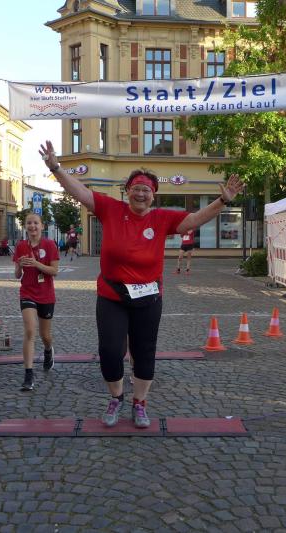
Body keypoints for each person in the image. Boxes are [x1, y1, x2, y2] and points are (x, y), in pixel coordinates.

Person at [39, 140, 244, 428]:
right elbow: (81, 192)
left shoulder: (162, 218)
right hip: (111, 295)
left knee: (144, 351)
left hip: (149, 297)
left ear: (153, 195)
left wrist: (222, 201)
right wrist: (56, 169)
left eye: (146, 189)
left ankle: (140, 402)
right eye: (136, 188)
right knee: (111, 351)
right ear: (127, 191)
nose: (141, 193)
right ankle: (116, 397)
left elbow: (195, 219)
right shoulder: (111, 209)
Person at [13, 213, 60, 391]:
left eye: (35, 223)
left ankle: (48, 350)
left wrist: (36, 264)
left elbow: (54, 271)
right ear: (25, 226)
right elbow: (17, 275)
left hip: (46, 294)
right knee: (30, 331)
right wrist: (20, 265)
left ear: (42, 226)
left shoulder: (50, 245)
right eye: (29, 223)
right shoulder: (21, 246)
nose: (32, 226)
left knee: (45, 335)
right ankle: (28, 374)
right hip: (27, 292)